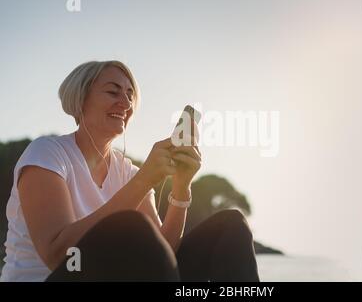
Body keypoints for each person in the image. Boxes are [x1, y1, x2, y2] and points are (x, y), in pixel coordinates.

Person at [0, 61, 260, 282]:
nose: (125, 102)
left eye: (130, 95)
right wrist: (145, 179)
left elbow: (164, 253)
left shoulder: (127, 172)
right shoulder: (47, 153)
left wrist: (182, 185)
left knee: (231, 225)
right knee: (132, 226)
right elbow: (58, 254)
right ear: (81, 98)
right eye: (113, 92)